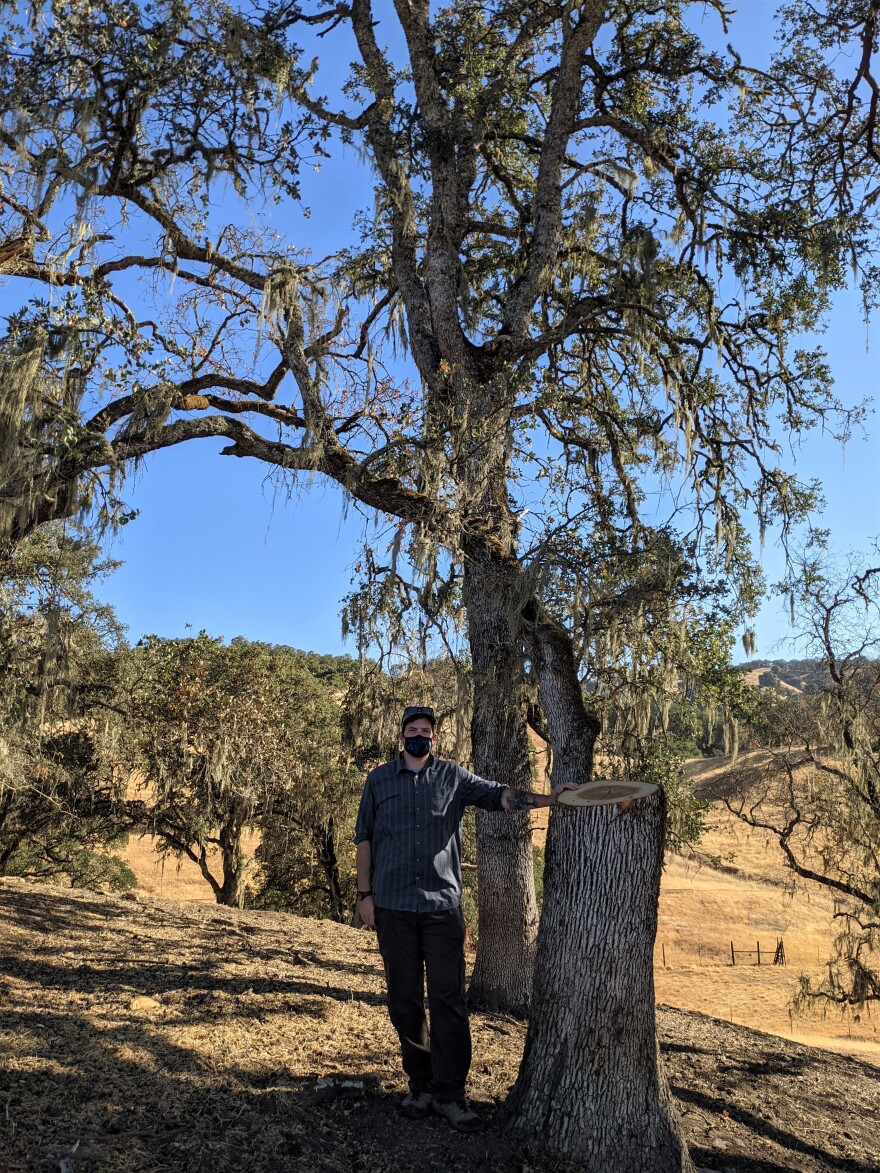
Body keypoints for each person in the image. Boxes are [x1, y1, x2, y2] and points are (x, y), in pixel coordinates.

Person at [353, 703, 576, 1133]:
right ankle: (419, 1086)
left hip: (441, 909)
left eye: (426, 730)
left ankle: (451, 1094)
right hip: (393, 908)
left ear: (434, 737)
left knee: (449, 1001)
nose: (420, 735)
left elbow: (499, 796)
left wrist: (550, 799)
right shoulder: (379, 780)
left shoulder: (453, 777)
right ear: (401, 736)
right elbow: (364, 839)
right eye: (412, 729)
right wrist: (365, 895)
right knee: (404, 1000)